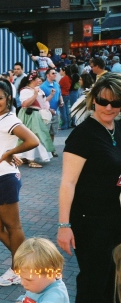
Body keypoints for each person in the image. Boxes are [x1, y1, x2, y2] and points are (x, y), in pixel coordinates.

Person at [57, 73, 121, 303]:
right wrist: (64, 226)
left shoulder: (117, 128)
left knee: (113, 281)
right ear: (94, 99)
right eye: (103, 101)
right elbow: (68, 182)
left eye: (116, 102)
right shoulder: (83, 135)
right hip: (90, 221)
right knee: (93, 282)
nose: (109, 107)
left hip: (114, 218)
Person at [0, 79, 39, 286]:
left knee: (13, 227)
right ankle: (24, 259)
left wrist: (11, 152)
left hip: (5, 177)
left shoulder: (9, 119)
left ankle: (17, 269)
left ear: (8, 99)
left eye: (0, 98)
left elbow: (33, 140)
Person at [17, 71, 55, 168]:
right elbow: (25, 104)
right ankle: (30, 159)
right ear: (33, 80)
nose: (39, 80)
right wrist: (34, 94)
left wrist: (50, 98)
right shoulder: (25, 90)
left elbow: (42, 102)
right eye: (38, 78)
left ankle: (26, 157)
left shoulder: (38, 90)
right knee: (32, 135)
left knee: (36, 135)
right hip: (29, 115)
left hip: (36, 115)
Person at [14, 238, 69, 303]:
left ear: (50, 274)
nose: (22, 283)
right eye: (21, 277)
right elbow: (27, 297)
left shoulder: (54, 297)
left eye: (28, 280)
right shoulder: (37, 286)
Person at [40, 68, 62, 157]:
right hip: (46, 112)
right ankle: (46, 151)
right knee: (46, 132)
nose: (55, 74)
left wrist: (61, 101)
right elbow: (42, 101)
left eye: (55, 73)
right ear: (47, 75)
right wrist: (49, 110)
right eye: (53, 73)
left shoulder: (56, 84)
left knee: (53, 132)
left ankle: (51, 149)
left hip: (56, 112)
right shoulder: (43, 86)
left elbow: (60, 94)